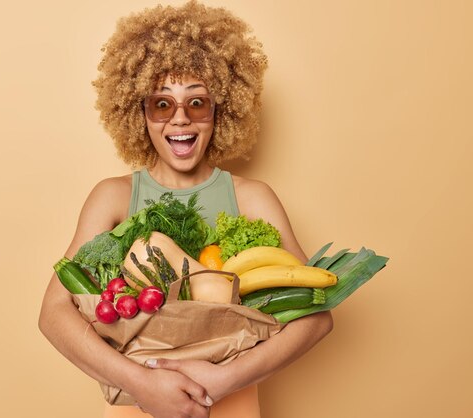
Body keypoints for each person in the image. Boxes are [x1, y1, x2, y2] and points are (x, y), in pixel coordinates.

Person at [38, 2, 333, 417]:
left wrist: (226, 379)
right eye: (162, 104)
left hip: (232, 405)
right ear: (139, 112)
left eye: (197, 103)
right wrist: (140, 382)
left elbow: (316, 316)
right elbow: (53, 314)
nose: (180, 120)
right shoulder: (113, 197)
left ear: (221, 111)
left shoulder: (252, 198)